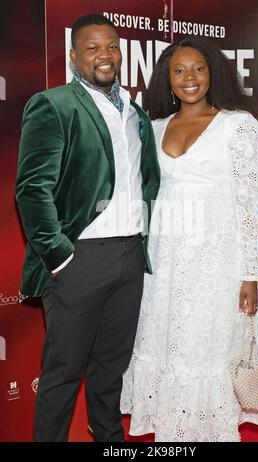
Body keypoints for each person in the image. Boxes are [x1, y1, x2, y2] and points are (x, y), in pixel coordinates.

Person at [121, 37, 258, 442]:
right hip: (163, 258)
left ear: (214, 73)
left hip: (215, 261)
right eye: (179, 71)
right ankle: (171, 430)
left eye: (199, 69)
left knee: (204, 348)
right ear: (167, 80)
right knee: (165, 341)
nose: (190, 78)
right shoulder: (152, 128)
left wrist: (248, 275)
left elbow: (250, 206)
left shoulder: (239, 126)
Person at [16, 13, 160, 442]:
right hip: (79, 258)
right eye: (93, 48)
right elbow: (32, 188)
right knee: (63, 372)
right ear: (74, 55)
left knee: (111, 366)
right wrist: (59, 256)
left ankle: (110, 441)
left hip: (129, 256)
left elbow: (144, 180)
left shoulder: (135, 112)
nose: (105, 55)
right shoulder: (54, 104)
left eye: (112, 47)